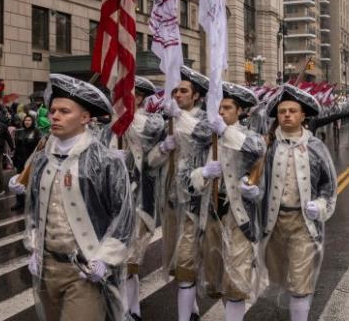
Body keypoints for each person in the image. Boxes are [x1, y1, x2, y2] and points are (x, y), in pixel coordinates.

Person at [8, 74, 133, 320]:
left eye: (64, 111)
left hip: (84, 271)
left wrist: (105, 259)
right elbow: (33, 210)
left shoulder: (105, 161)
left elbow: (124, 216)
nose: (54, 116)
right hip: (47, 267)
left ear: (85, 118)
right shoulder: (43, 158)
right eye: (53, 110)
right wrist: (35, 247)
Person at [189, 82, 266, 321]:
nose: (221, 113)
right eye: (219, 108)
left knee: (236, 281)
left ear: (241, 111)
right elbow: (189, 178)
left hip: (238, 218)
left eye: (228, 108)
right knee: (216, 278)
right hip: (211, 215)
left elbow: (259, 149)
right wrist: (203, 174)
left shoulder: (249, 137)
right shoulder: (207, 141)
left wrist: (225, 132)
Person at [260, 84, 337, 321]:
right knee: (275, 276)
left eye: (293, 111)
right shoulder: (267, 145)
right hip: (273, 223)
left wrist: (321, 206)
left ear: (303, 115)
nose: (287, 115)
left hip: (303, 224)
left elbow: (329, 185)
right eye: (282, 111)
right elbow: (254, 176)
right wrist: (251, 190)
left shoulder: (315, 147)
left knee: (300, 282)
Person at [147, 66, 213, 321]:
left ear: (196, 96)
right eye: (174, 91)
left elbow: (203, 134)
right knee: (178, 263)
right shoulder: (169, 123)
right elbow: (151, 162)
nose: (177, 95)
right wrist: (163, 147)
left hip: (196, 204)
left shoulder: (205, 120)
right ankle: (192, 306)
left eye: (183, 91)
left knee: (185, 262)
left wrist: (178, 118)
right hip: (171, 204)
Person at [106, 76, 165, 321]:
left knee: (130, 257)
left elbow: (151, 160)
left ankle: (132, 309)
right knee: (111, 259)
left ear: (138, 98)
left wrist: (162, 149)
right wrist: (110, 158)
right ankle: (119, 308)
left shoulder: (144, 124)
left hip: (137, 199)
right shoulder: (106, 126)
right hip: (108, 203)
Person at [11, 115, 42, 211]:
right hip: (21, 160)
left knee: (33, 182)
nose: (27, 122)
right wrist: (14, 159)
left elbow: (40, 147)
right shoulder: (19, 132)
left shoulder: (37, 132)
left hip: (32, 160)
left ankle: (34, 202)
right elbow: (17, 147)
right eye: (26, 120)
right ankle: (20, 202)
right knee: (20, 181)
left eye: (29, 120)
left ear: (32, 121)